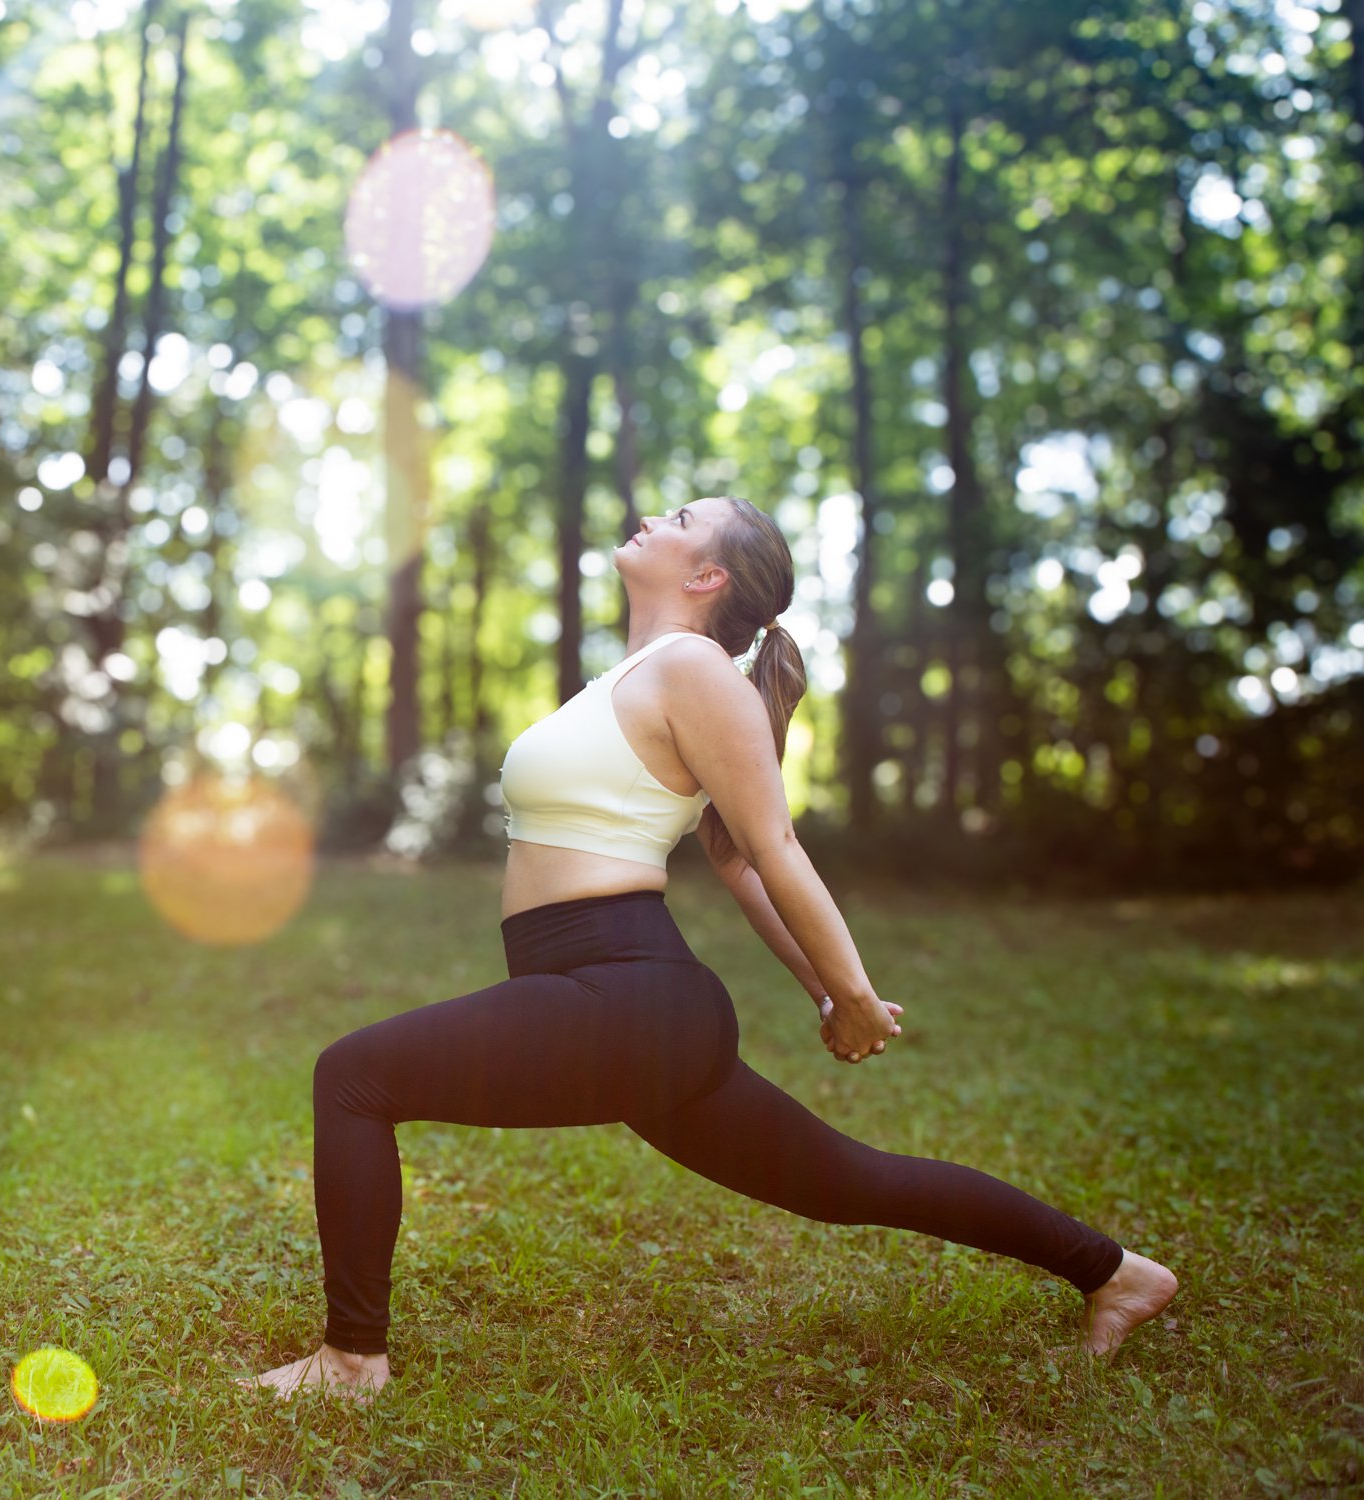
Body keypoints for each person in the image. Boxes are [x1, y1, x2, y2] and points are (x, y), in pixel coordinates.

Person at [237, 494, 1176, 1403]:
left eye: (681, 520)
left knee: (354, 1077)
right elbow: (736, 868)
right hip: (609, 999)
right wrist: (819, 992)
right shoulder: (635, 678)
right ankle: (1117, 1272)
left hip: (626, 993)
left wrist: (847, 992)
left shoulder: (692, 670)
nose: (652, 517)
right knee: (847, 1182)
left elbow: (774, 849)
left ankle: (353, 1360)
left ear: (708, 574)